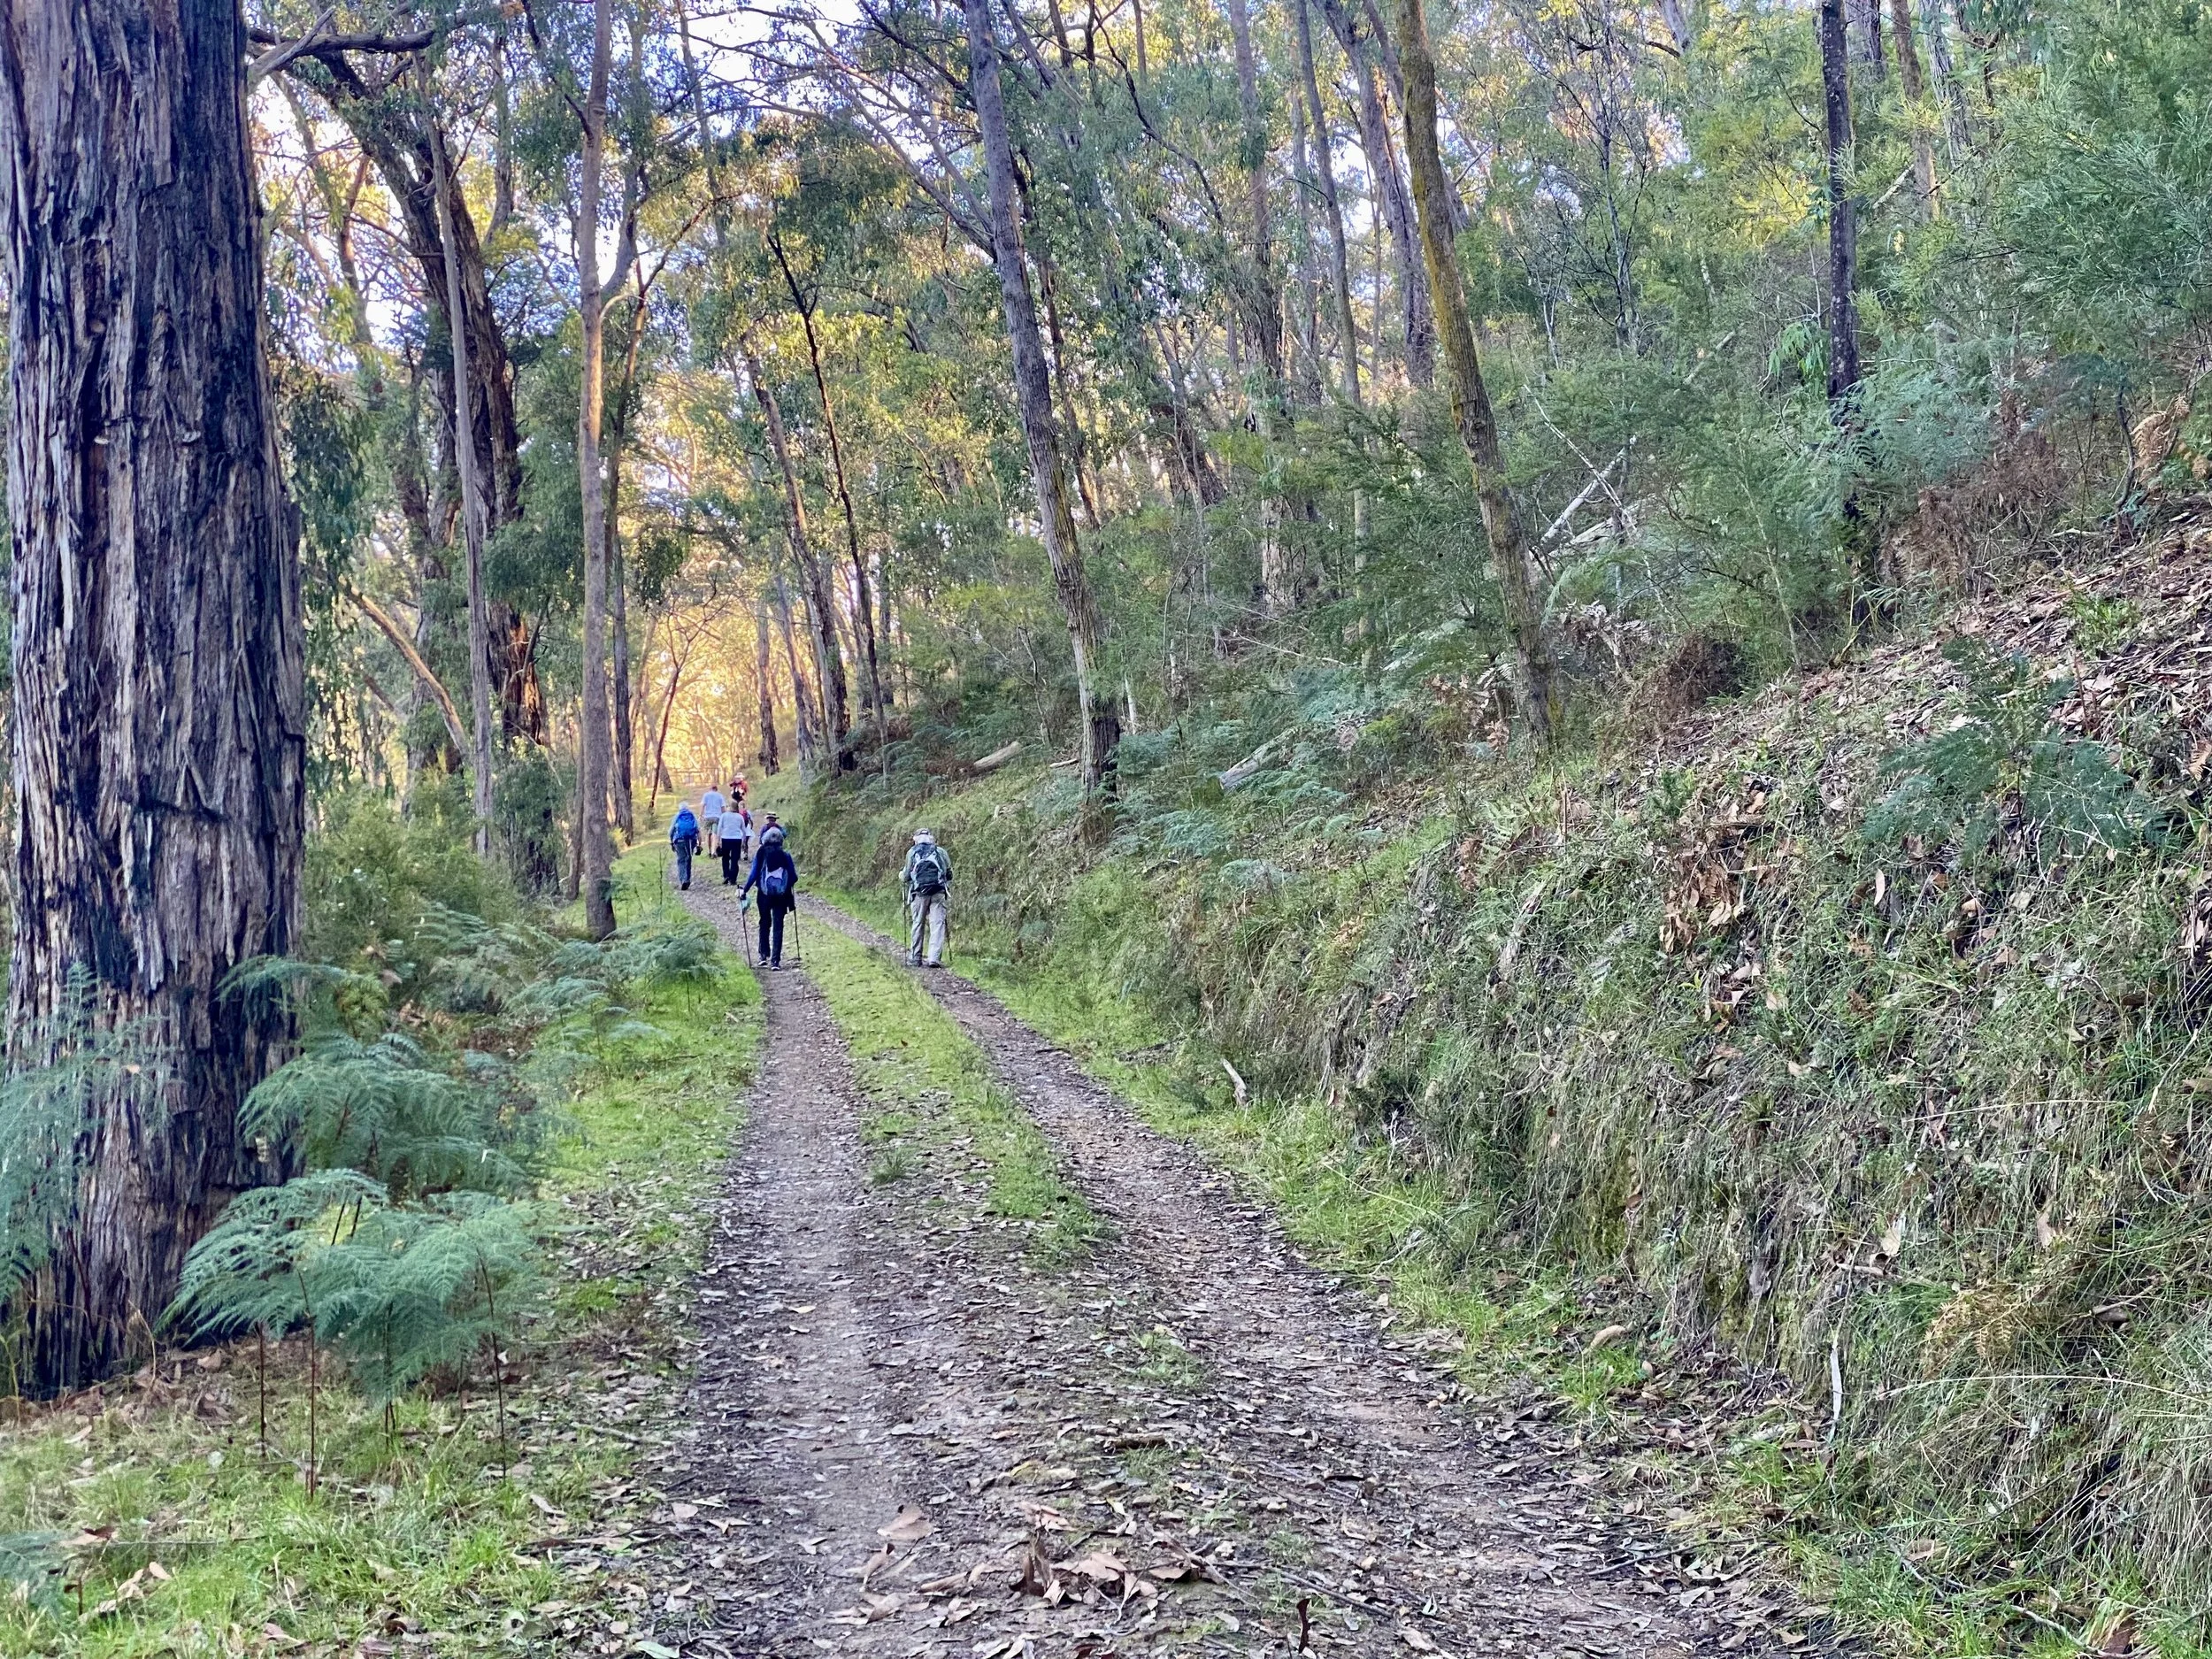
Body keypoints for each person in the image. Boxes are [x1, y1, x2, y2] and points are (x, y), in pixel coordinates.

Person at [741, 816, 798, 969]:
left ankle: (762, 956)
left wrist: (744, 890)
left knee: (764, 923)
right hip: (781, 896)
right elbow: (794, 877)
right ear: (781, 841)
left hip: (764, 896)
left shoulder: (761, 854)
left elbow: (753, 875)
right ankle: (775, 961)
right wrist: (785, 886)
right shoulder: (786, 856)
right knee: (778, 925)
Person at [902, 828, 952, 969]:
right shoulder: (940, 851)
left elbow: (906, 876)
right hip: (938, 892)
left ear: (916, 839)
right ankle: (933, 958)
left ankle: (915, 957)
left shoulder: (912, 852)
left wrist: (901, 875)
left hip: (919, 893)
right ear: (931, 838)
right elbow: (949, 873)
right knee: (937, 924)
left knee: (918, 923)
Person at [669, 802, 703, 891]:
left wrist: (671, 842)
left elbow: (671, 830)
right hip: (690, 841)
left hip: (679, 840)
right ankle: (687, 879)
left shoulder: (677, 816)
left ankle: (682, 879)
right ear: (688, 808)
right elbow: (698, 830)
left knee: (681, 860)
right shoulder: (692, 816)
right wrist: (699, 843)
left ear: (679, 808)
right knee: (688, 858)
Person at [718, 797, 750, 886]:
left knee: (725, 858)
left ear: (729, 807)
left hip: (725, 839)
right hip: (737, 839)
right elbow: (743, 830)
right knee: (735, 860)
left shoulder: (724, 816)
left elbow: (719, 828)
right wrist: (744, 841)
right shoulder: (740, 817)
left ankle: (726, 875)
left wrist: (718, 840)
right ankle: (733, 879)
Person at [700, 781, 726, 857]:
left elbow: (702, 805)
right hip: (717, 817)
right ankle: (713, 852)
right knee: (715, 834)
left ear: (710, 788)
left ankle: (708, 851)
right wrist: (724, 816)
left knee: (708, 834)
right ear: (716, 789)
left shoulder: (706, 795)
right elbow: (723, 808)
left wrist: (701, 815)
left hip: (707, 817)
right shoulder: (720, 796)